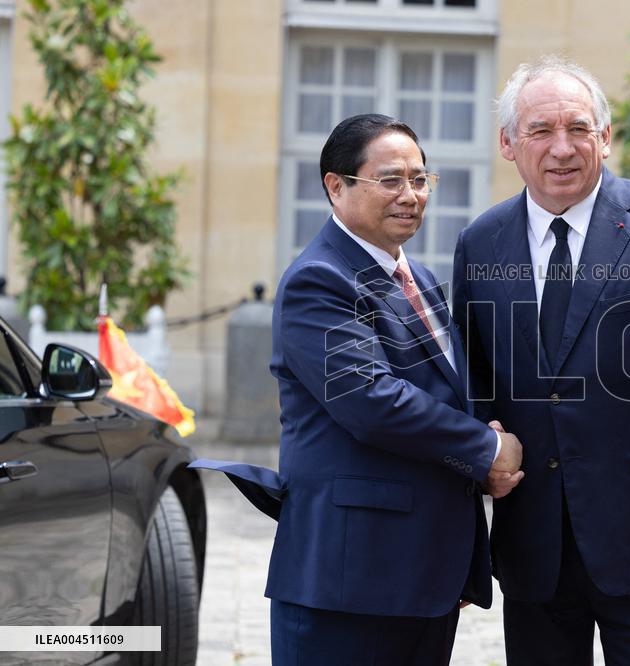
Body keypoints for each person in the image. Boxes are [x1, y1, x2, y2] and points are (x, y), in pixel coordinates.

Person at [192, 114, 524, 665]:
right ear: (335, 186)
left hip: (421, 577)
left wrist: (479, 432)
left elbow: (443, 392)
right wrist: (485, 448)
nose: (411, 195)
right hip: (350, 580)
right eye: (390, 180)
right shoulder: (318, 279)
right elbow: (372, 401)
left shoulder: (417, 279)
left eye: (420, 180)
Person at [451, 57, 630, 665]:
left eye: (579, 128)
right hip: (533, 542)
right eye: (540, 131)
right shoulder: (481, 241)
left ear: (605, 138)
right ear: (508, 143)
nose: (563, 148)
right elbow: (473, 383)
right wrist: (480, 455)